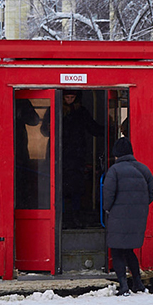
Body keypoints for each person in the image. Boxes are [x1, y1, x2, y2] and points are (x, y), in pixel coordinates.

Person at [102, 137, 153, 296]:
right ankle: (138, 283)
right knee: (129, 250)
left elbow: (108, 196)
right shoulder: (143, 169)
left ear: (117, 154)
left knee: (117, 251)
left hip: (118, 217)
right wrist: (139, 206)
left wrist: (107, 209)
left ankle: (124, 286)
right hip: (138, 217)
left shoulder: (114, 170)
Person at [60, 90, 102, 227]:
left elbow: (93, 128)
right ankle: (66, 217)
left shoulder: (81, 112)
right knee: (65, 188)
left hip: (73, 156)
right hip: (63, 156)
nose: (69, 100)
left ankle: (72, 217)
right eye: (67, 97)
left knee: (74, 189)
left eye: (72, 97)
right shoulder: (59, 109)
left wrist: (108, 129)